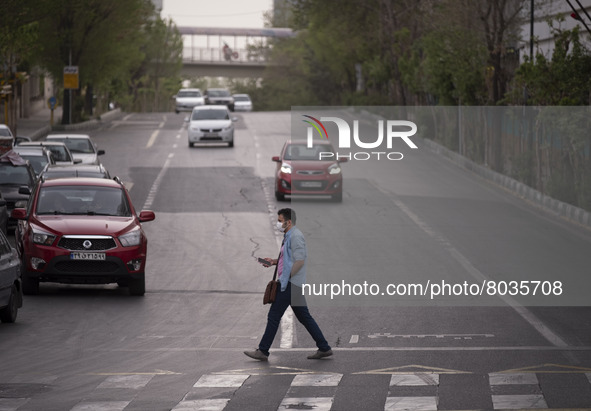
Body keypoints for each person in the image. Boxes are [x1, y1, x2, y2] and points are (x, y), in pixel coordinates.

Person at [244, 208, 333, 361]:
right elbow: (289, 259)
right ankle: (324, 347)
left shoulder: (296, 236)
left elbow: (300, 261)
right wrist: (274, 261)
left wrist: (287, 277)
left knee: (273, 316)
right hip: (293, 284)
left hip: (291, 284)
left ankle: (263, 351)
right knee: (304, 317)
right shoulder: (289, 235)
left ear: (288, 222)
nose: (278, 223)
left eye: (280, 221)